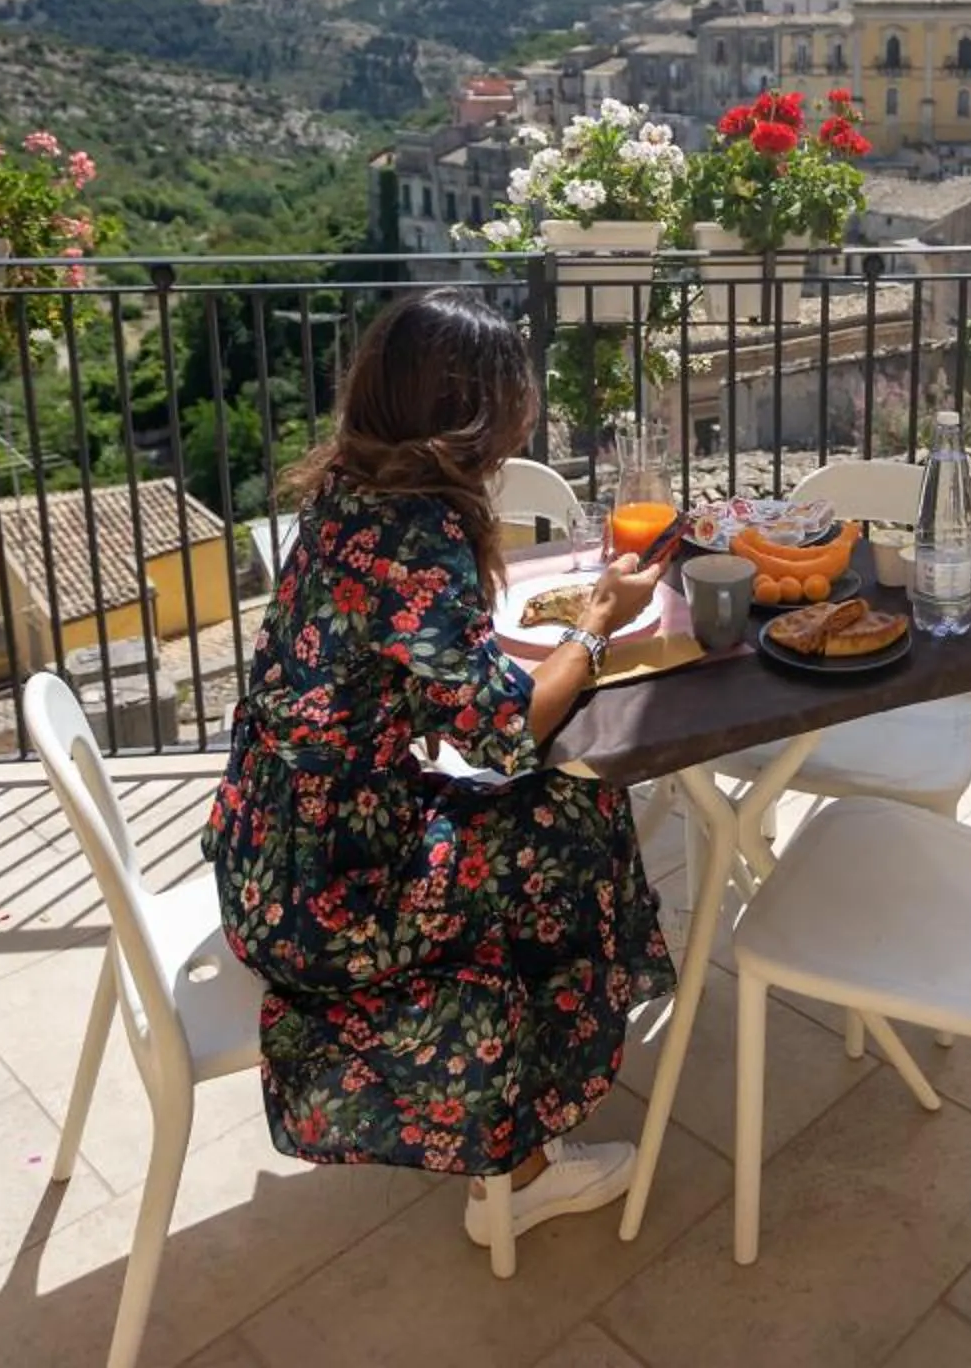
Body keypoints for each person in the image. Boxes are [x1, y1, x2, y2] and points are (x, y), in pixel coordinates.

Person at [201, 289, 674, 1247]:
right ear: (470, 410)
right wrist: (597, 625)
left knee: (558, 813)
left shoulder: (347, 490)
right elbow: (504, 734)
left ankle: (515, 1116)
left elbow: (413, 682)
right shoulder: (415, 535)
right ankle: (521, 1154)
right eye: (517, 394)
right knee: (574, 829)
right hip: (326, 892)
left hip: (271, 840)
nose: (529, 409)